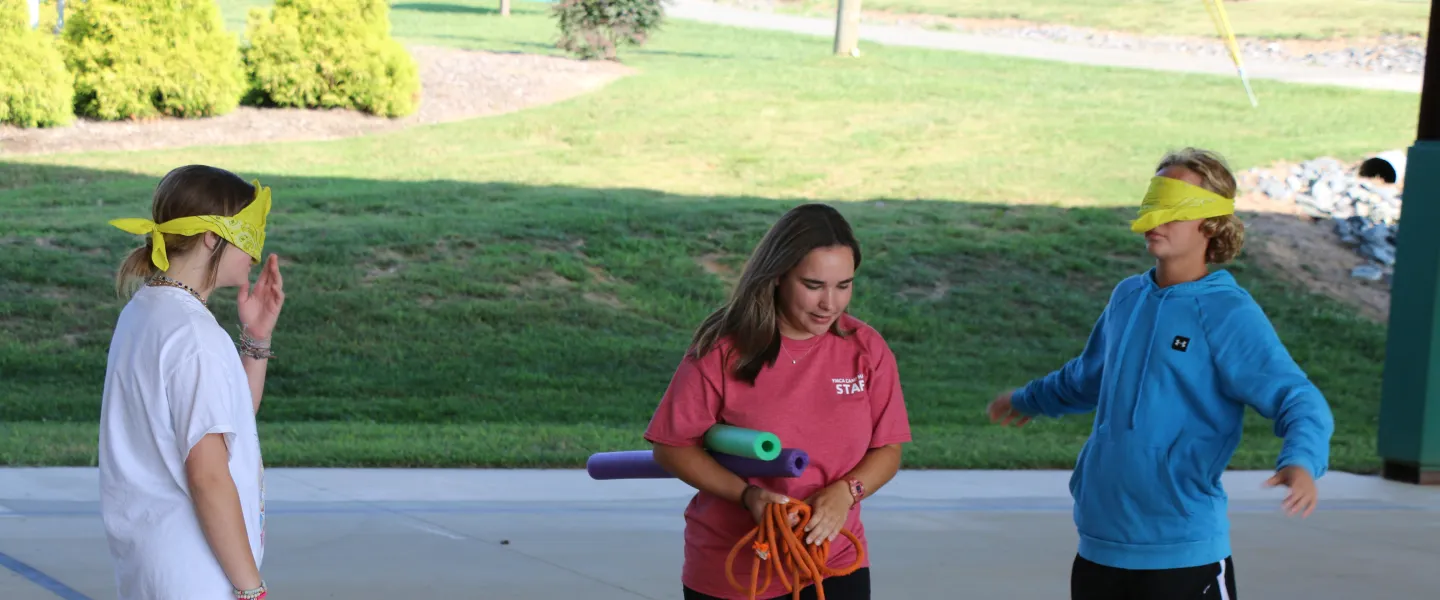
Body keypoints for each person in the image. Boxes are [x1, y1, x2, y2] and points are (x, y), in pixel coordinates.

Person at [987, 147, 1336, 600]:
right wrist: (1028, 399)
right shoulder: (1127, 297)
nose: (1156, 218)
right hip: (1100, 544)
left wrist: (1301, 461)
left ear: (1210, 223)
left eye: (1173, 208)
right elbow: (1087, 377)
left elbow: (1297, 397)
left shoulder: (1227, 312)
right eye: (1153, 202)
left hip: (1182, 551)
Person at [644, 203, 912, 600]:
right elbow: (672, 447)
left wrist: (847, 492)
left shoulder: (866, 348)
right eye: (813, 285)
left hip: (836, 562)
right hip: (737, 572)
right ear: (777, 277)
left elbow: (888, 448)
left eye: (843, 285)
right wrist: (747, 496)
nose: (830, 303)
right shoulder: (724, 351)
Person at [99, 165, 285, 600]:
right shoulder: (194, 336)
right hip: (199, 578)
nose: (256, 251)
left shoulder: (146, 311)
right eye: (249, 232)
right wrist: (251, 589)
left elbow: (225, 420)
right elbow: (208, 475)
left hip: (155, 569)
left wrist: (256, 339)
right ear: (211, 237)